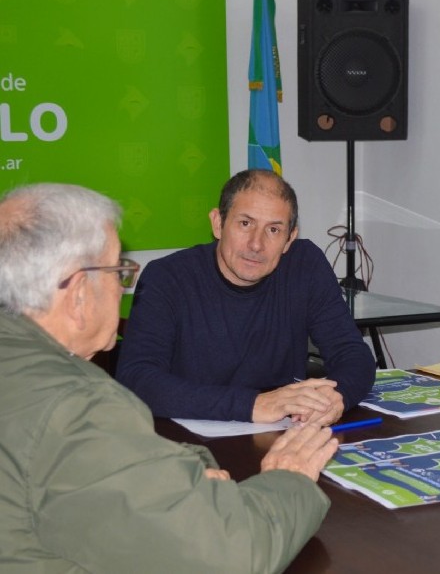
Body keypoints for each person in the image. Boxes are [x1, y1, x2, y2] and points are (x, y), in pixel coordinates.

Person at [0, 183, 338, 572]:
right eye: (118, 272)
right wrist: (289, 479)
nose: (123, 286)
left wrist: (175, 473)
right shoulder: (80, 406)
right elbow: (232, 555)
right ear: (78, 295)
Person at [116, 169, 376, 424]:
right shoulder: (168, 277)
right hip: (190, 441)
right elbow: (137, 379)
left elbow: (352, 353)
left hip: (279, 433)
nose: (256, 244)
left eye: (273, 230)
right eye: (245, 223)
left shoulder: (305, 265)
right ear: (218, 223)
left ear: (289, 239)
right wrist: (252, 405)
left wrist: (336, 397)